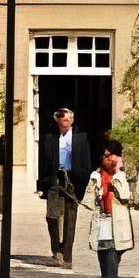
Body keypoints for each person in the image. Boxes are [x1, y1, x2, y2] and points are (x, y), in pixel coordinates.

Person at [80, 137, 135, 278]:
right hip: (101, 225)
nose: (108, 159)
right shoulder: (96, 175)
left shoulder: (121, 176)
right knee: (105, 267)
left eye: (110, 155)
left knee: (111, 266)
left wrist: (117, 174)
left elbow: (126, 195)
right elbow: (88, 202)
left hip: (117, 227)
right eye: (105, 155)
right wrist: (94, 186)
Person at [36, 107, 92, 268]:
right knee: (52, 216)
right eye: (62, 120)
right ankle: (56, 249)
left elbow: (87, 161)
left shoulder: (81, 138)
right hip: (55, 180)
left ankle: (67, 256)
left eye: (67, 120)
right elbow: (43, 163)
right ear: (57, 121)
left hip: (73, 181)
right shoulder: (50, 138)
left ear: (72, 120)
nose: (64, 122)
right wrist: (43, 183)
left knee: (70, 219)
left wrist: (83, 181)